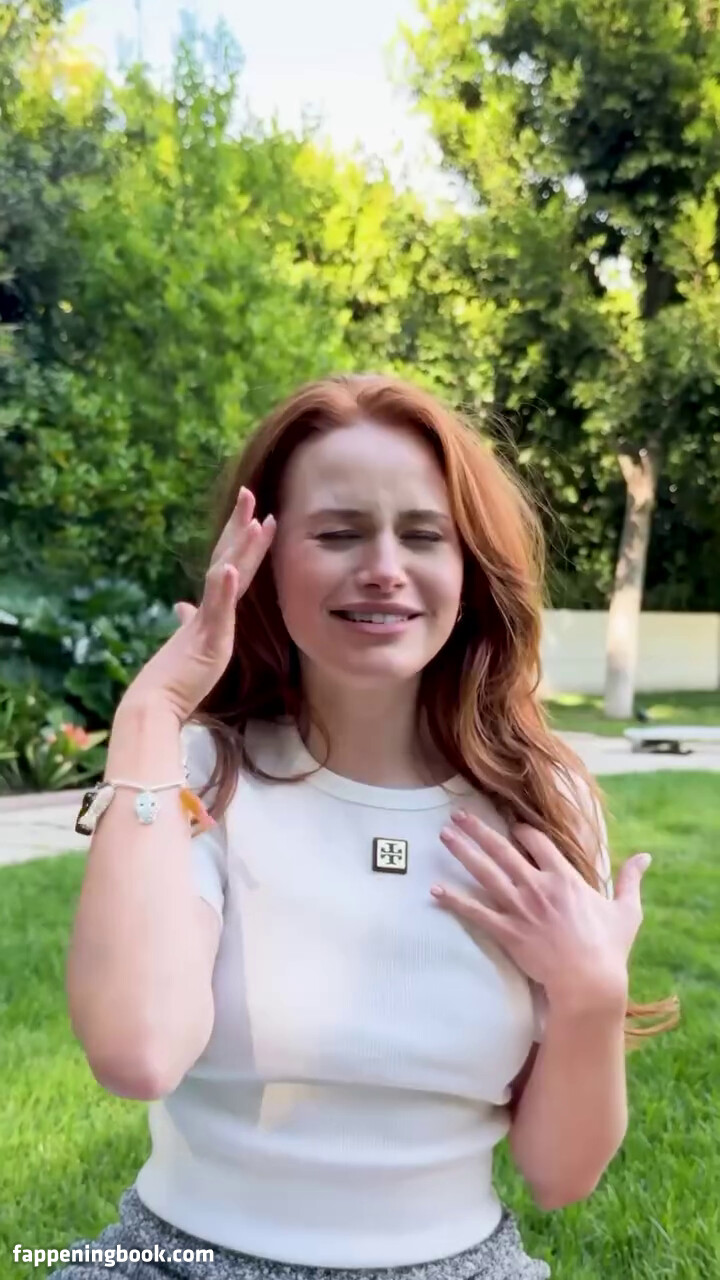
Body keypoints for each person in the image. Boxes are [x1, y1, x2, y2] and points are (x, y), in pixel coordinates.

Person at [51, 373, 678, 1280]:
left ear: (469, 571)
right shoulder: (200, 772)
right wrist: (150, 713)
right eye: (339, 533)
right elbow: (136, 1053)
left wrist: (590, 993)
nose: (384, 567)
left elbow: (560, 1176)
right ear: (263, 565)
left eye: (423, 535)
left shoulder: (541, 800)